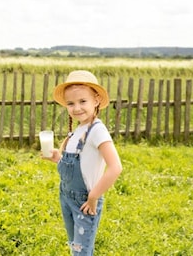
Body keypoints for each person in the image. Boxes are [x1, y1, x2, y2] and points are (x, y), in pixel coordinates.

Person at [42, 70, 123, 255]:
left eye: (82, 101)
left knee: (82, 251)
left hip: (85, 200)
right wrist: (57, 158)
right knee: (75, 246)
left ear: (96, 100)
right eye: (71, 103)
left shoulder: (97, 130)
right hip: (66, 197)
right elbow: (78, 161)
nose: (76, 108)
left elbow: (116, 167)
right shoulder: (78, 129)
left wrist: (93, 197)